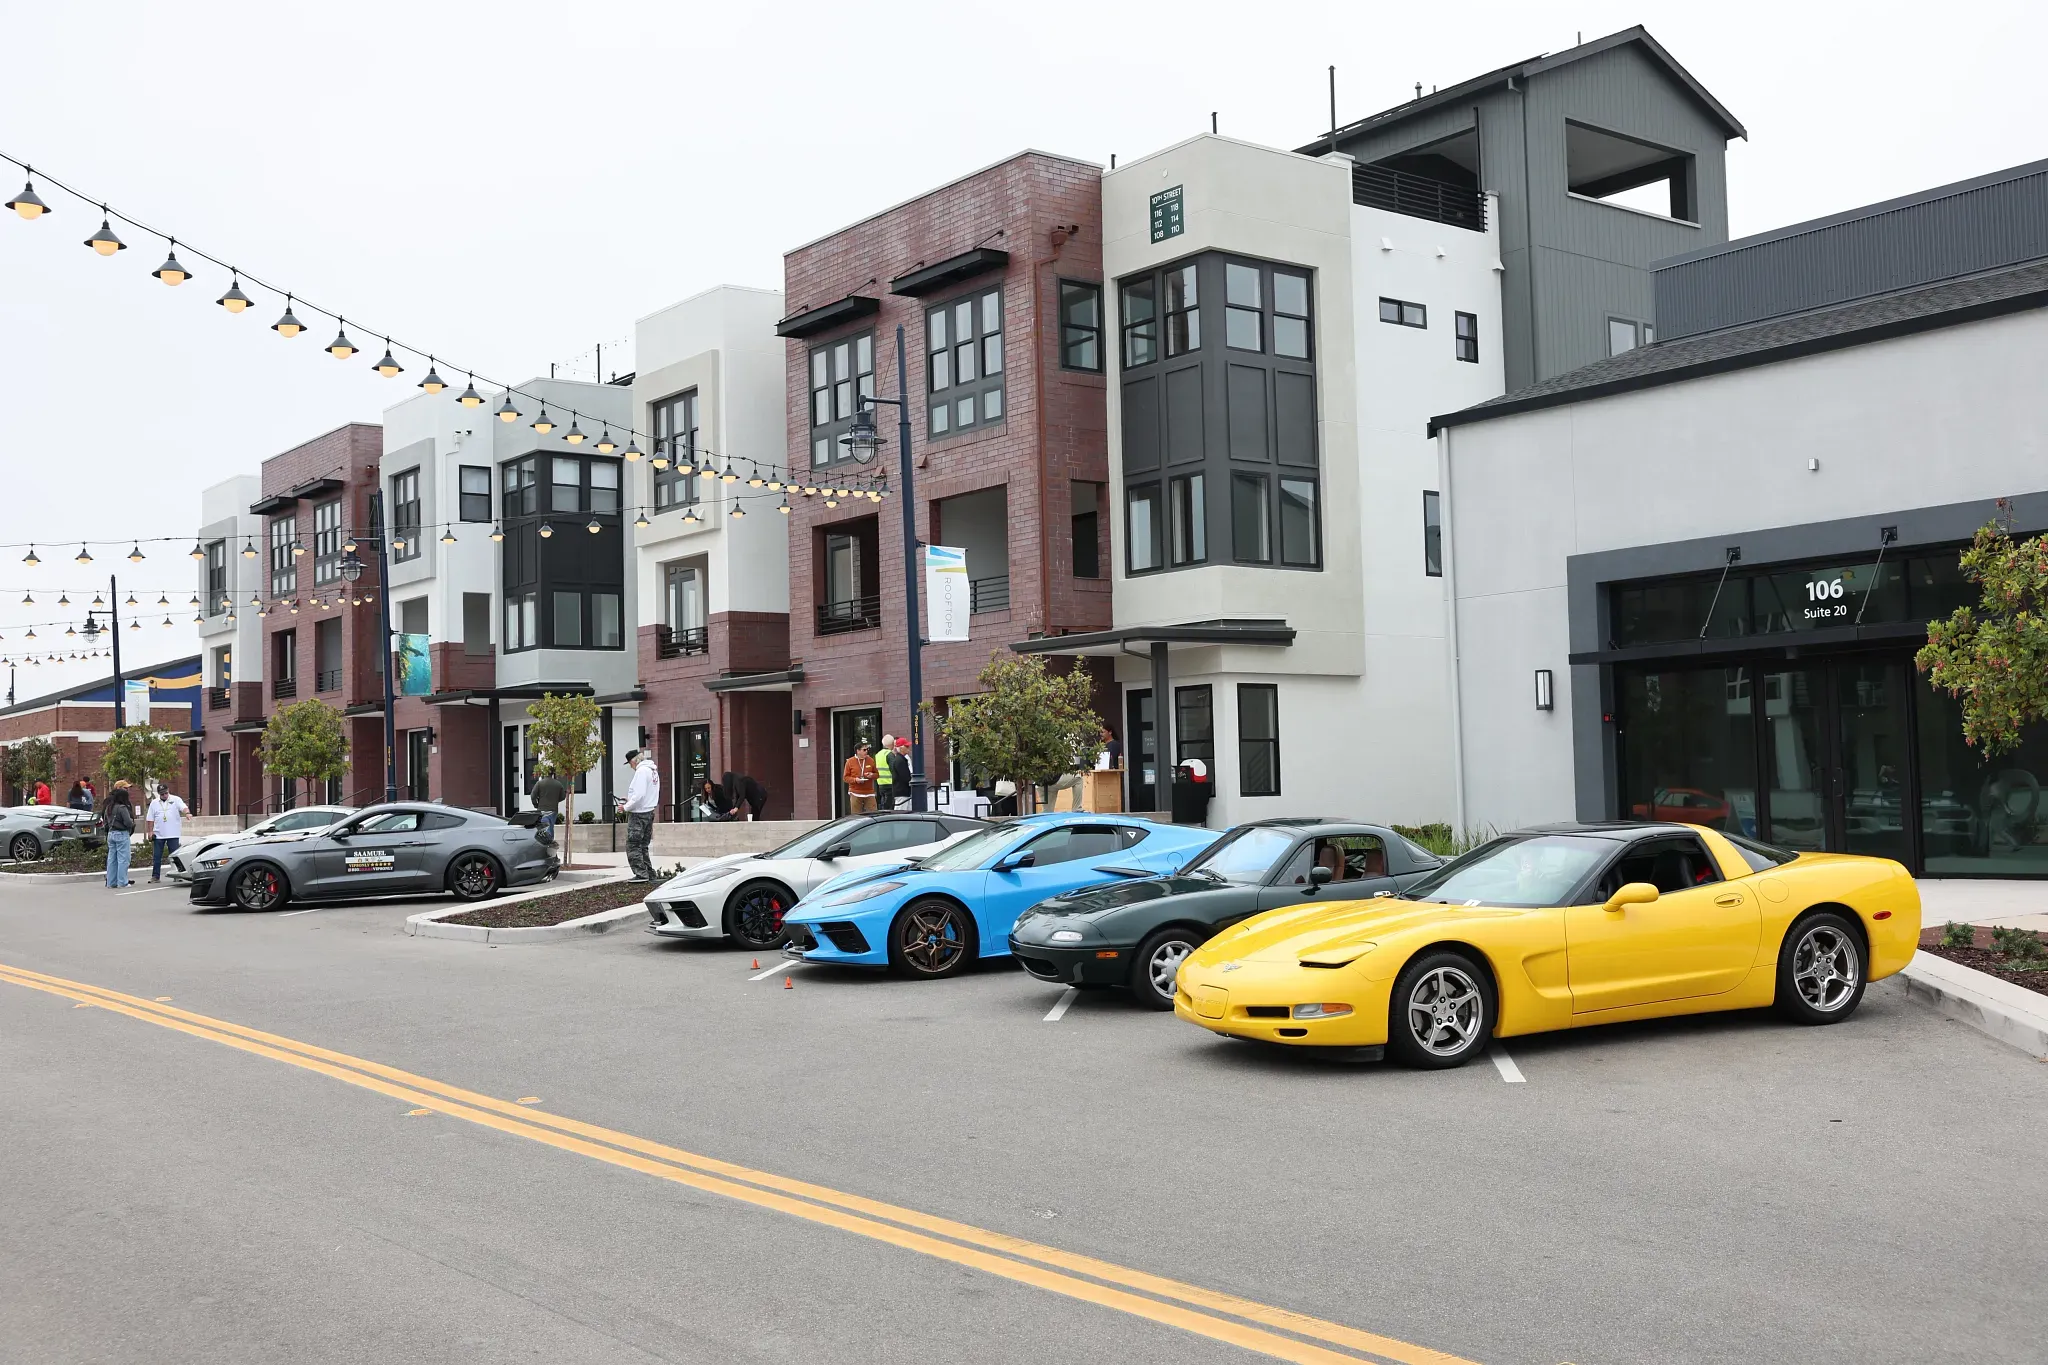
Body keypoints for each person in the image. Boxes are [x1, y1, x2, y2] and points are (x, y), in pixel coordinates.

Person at [618, 749, 661, 882]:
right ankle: (649, 873)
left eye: (630, 764)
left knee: (633, 845)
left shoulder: (641, 771)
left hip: (638, 814)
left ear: (633, 761)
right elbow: (646, 793)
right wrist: (629, 799)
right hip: (649, 811)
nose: (631, 767)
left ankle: (641, 874)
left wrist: (625, 807)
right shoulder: (653, 770)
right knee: (643, 845)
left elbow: (640, 794)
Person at [145, 781, 188, 883]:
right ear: (159, 794)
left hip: (173, 833)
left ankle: (177, 875)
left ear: (168, 791)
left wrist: (187, 813)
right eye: (162, 794)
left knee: (174, 856)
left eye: (166, 793)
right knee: (157, 856)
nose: (164, 795)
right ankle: (155, 876)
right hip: (159, 834)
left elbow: (183, 807)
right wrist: (150, 832)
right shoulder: (154, 803)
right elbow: (150, 818)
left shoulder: (176, 799)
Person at [103, 782, 135, 888]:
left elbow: (105, 821)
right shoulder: (122, 808)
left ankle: (111, 882)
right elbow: (128, 822)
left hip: (111, 833)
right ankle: (122, 882)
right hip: (121, 834)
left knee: (112, 859)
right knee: (123, 859)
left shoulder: (109, 807)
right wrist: (132, 823)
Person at [530, 770, 565, 852]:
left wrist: (536, 804)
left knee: (543, 828)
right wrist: (555, 800)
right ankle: (551, 846)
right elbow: (563, 796)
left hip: (542, 809)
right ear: (552, 774)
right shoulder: (558, 784)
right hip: (553, 809)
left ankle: (546, 847)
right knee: (550, 827)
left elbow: (533, 796)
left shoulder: (539, 783)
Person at [842, 741, 877, 814]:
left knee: (873, 814)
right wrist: (855, 780)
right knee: (856, 816)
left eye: (867, 749)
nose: (866, 751)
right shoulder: (850, 761)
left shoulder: (870, 760)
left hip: (869, 792)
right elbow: (845, 778)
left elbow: (877, 774)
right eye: (864, 750)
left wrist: (871, 775)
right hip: (855, 792)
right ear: (858, 751)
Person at [883, 739, 911, 809]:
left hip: (902, 792)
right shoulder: (900, 760)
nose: (908, 748)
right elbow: (905, 777)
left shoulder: (899, 759)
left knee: (905, 814)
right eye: (906, 746)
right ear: (901, 748)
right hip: (902, 792)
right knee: (901, 814)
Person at [874, 735, 896, 808]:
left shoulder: (878, 754)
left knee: (884, 804)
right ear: (892, 744)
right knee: (889, 807)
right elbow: (894, 769)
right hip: (890, 784)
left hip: (881, 784)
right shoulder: (889, 754)